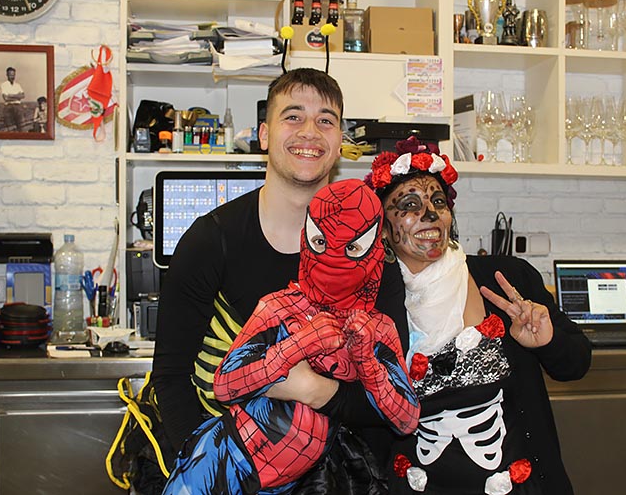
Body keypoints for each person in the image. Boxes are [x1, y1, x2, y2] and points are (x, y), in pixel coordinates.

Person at [152, 68, 408, 493]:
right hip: (230, 466)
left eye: (326, 120)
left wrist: (313, 389)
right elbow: (171, 377)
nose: (310, 131)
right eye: (293, 116)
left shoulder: (374, 257)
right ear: (264, 135)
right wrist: (213, 476)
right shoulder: (211, 240)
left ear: (339, 142)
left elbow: (391, 403)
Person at [364, 136, 592, 494]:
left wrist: (547, 341)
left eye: (438, 202)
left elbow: (576, 363)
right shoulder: (373, 304)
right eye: (409, 205)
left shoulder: (508, 279)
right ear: (384, 229)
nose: (430, 214)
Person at [162, 179, 419, 494]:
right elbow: (224, 385)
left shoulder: (376, 327)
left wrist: (366, 362)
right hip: (226, 454)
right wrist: (299, 345)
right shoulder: (281, 306)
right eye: (321, 243)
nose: (334, 260)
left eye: (352, 248)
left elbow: (406, 421)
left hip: (295, 479)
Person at [1, 67, 25, 131]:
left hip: (18, 107)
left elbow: (23, 96)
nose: (12, 77)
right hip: (8, 107)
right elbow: (6, 98)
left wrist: (11, 95)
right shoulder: (4, 85)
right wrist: (17, 96)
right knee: (10, 128)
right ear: (7, 75)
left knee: (21, 127)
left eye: (13, 75)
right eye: (10, 75)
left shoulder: (17, 85)